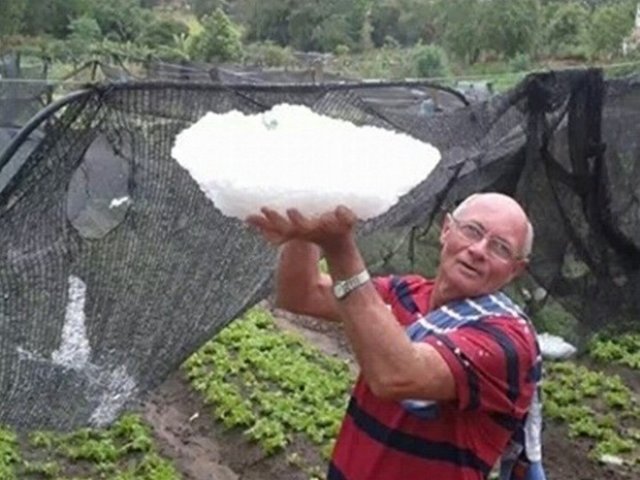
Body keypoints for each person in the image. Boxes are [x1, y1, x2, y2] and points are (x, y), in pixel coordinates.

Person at [247, 192, 541, 480]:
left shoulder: (508, 340)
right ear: (447, 230)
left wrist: (339, 247)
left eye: (500, 248)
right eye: (472, 230)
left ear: (515, 269)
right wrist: (305, 226)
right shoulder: (406, 294)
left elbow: (396, 375)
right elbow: (302, 294)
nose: (478, 250)